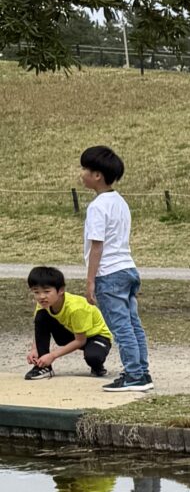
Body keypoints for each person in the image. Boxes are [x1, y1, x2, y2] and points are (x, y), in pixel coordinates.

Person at [80, 146, 152, 391]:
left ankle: (134, 375)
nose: (82, 174)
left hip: (109, 273)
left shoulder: (98, 206)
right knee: (133, 324)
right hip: (128, 268)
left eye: (85, 170)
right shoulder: (120, 202)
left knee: (121, 328)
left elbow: (97, 246)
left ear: (97, 175)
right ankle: (141, 371)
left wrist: (91, 280)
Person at [23, 265, 112, 380]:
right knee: (41, 317)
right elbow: (40, 328)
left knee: (93, 357)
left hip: (95, 336)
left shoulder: (76, 308)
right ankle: (43, 367)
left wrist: (53, 355)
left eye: (46, 291)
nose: (41, 297)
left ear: (61, 290)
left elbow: (80, 341)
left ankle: (97, 367)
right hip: (71, 332)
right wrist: (35, 350)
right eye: (36, 292)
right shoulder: (44, 304)